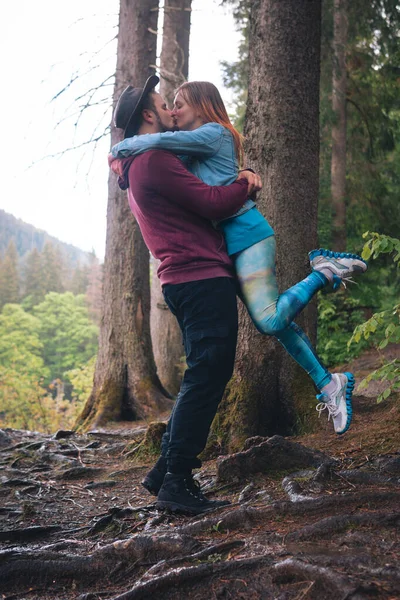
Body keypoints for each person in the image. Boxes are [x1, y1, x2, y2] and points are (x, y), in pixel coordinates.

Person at [111, 81, 368, 441]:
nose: (173, 111)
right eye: (169, 105)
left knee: (269, 318)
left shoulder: (213, 133)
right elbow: (170, 175)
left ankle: (323, 271)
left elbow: (157, 144)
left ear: (202, 106)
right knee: (275, 324)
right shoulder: (190, 148)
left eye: (179, 104)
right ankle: (329, 384)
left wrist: (121, 149)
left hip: (246, 232)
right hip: (227, 244)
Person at [111, 75, 261, 515]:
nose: (169, 109)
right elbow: (214, 202)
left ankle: (164, 471)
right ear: (147, 114)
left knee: (204, 372)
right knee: (208, 374)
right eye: (162, 103)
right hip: (198, 277)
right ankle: (177, 479)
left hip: (185, 278)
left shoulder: (141, 164)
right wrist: (247, 182)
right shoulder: (154, 160)